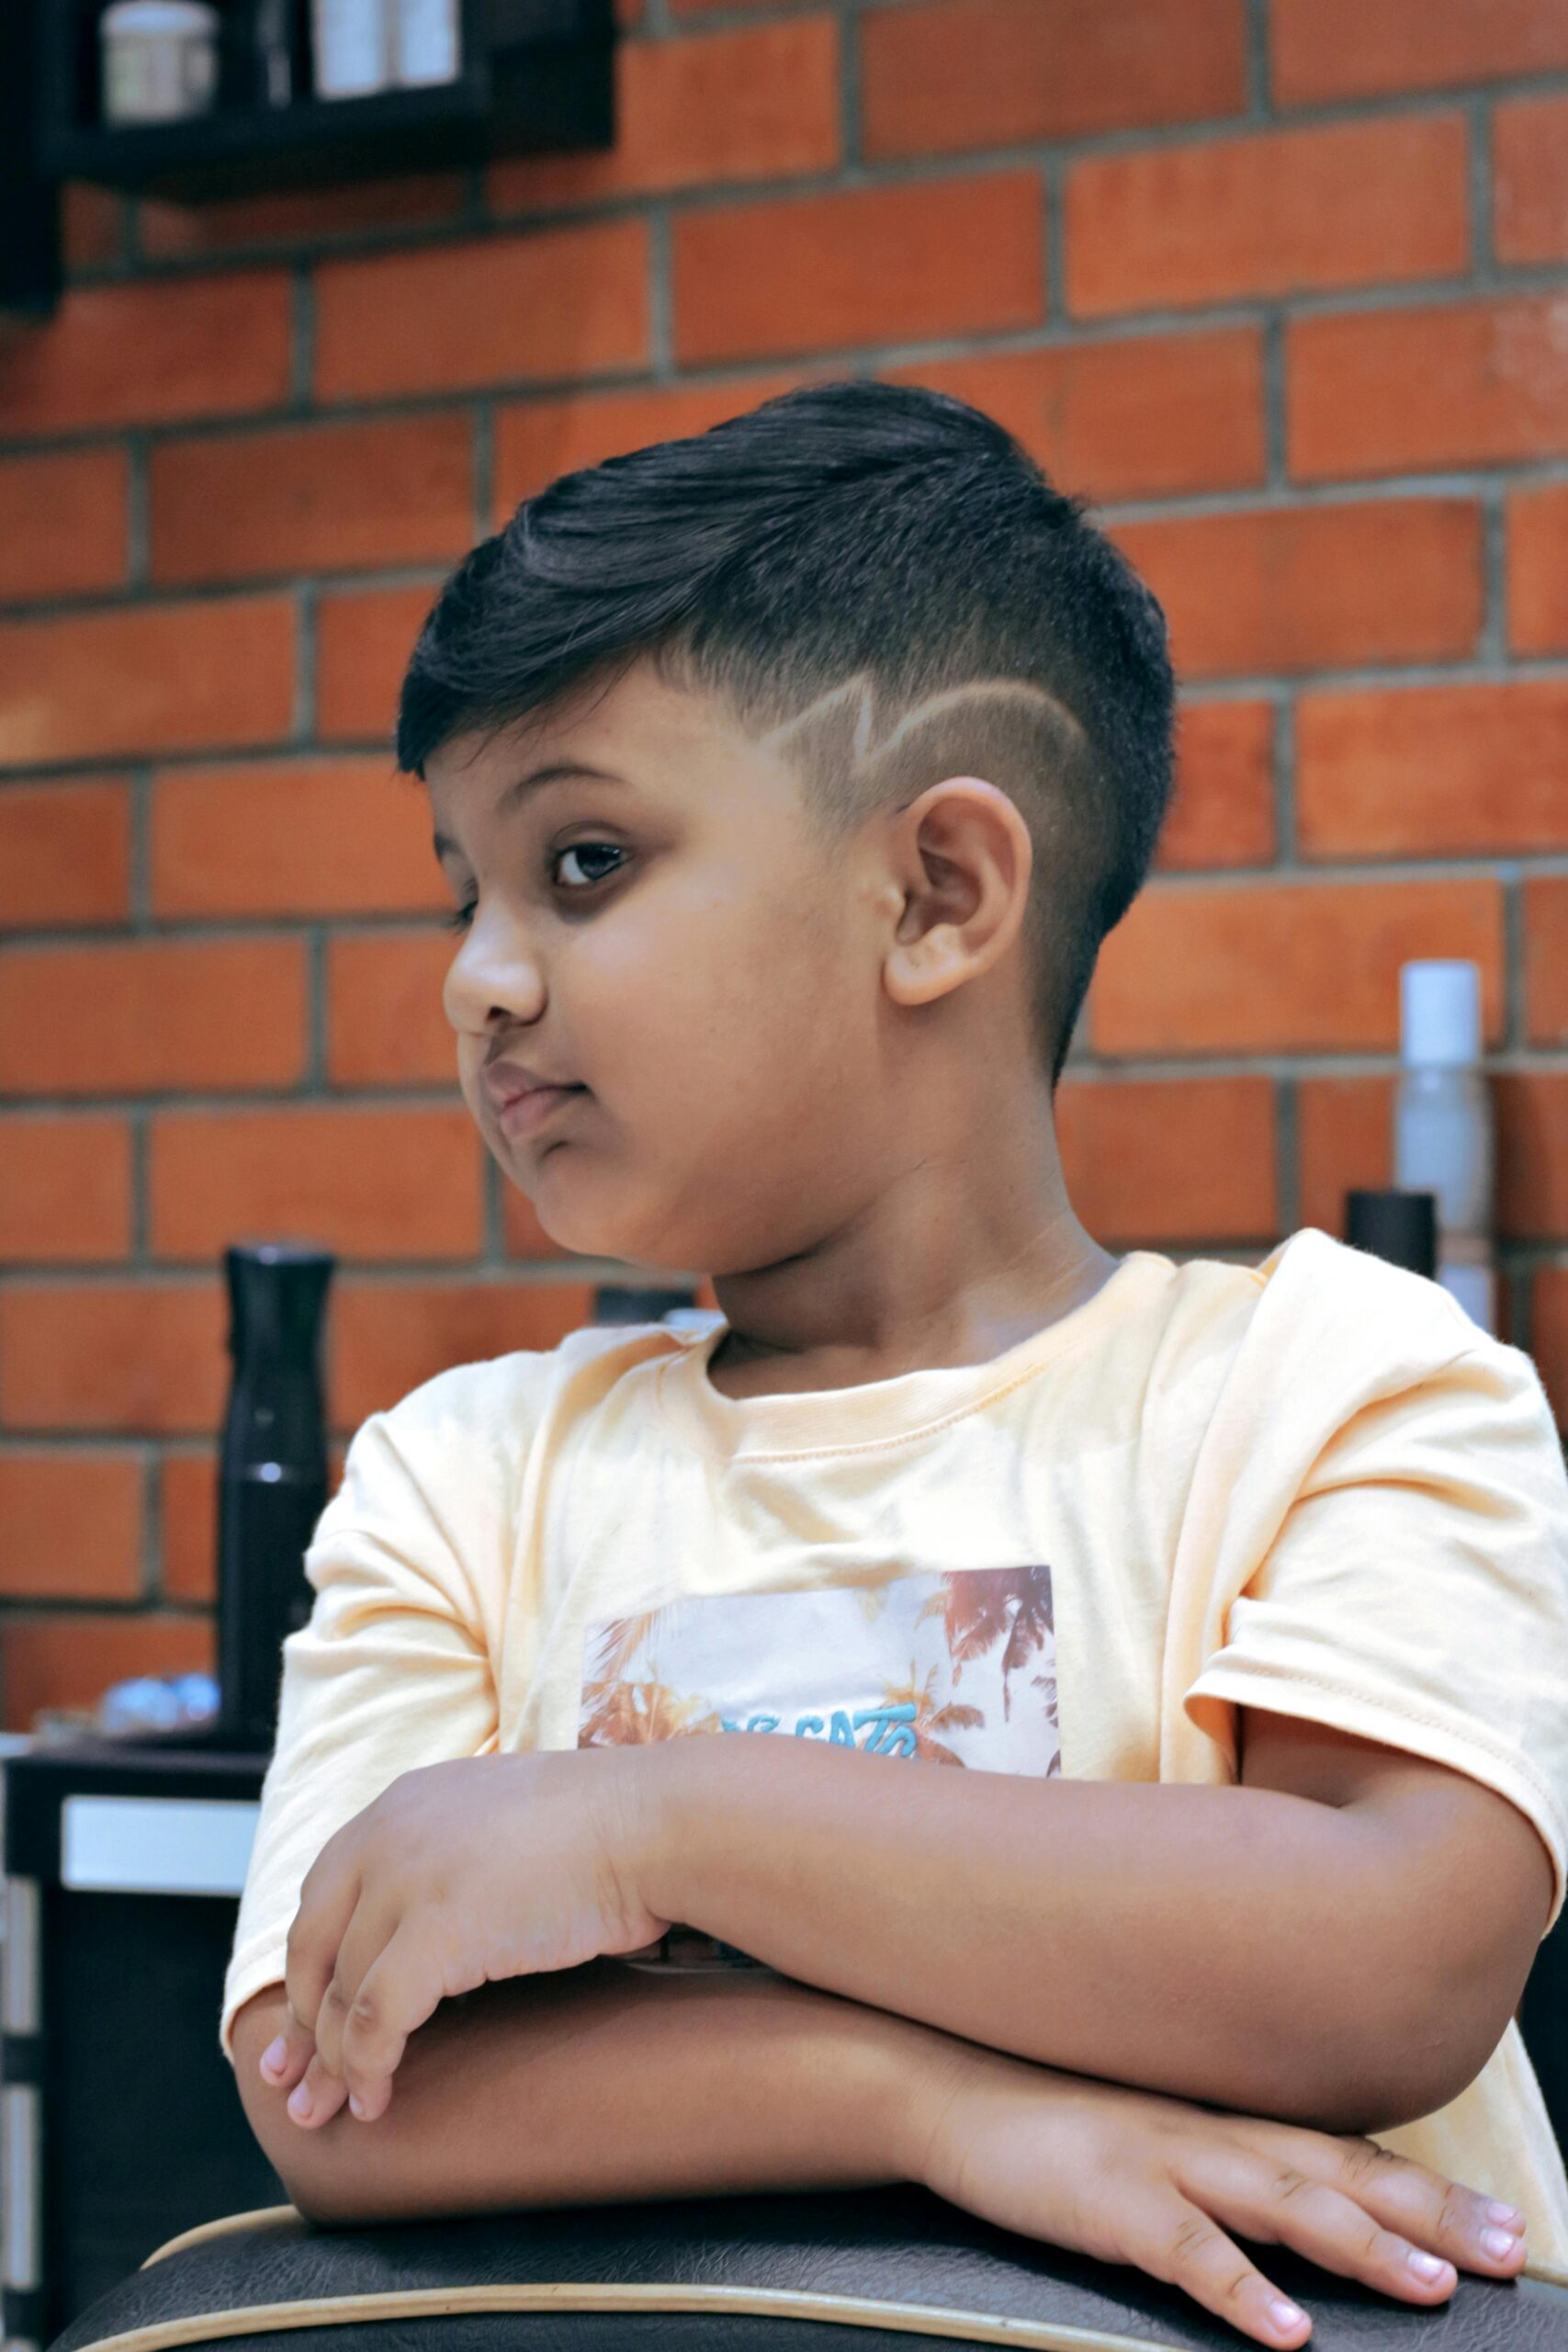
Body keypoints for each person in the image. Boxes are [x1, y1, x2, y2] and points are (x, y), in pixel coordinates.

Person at [222, 380, 1568, 2344]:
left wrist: (648, 1820)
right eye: (463, 886)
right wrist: (944, 2112)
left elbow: (1382, 1955)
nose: (476, 974)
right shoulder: (460, 1476)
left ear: (935, 893)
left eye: (581, 861)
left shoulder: (1328, 1382)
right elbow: (335, 2086)